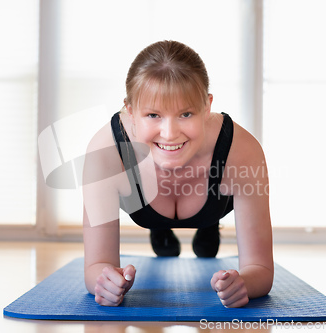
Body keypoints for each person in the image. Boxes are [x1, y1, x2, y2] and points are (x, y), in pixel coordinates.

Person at [82, 40, 273, 308]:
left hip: (213, 203)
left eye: (185, 113)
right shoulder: (105, 152)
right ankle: (159, 228)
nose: (170, 133)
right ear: (130, 110)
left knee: (206, 237)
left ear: (207, 107)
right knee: (160, 231)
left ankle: (209, 225)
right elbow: (95, 266)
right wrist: (106, 281)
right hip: (143, 204)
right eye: (152, 115)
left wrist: (244, 283)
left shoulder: (242, 151)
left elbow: (260, 268)